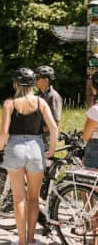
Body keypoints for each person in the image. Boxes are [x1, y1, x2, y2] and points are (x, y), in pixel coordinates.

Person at [0, 68, 58, 245]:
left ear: (16, 83)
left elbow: (3, 133)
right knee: (33, 198)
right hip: (36, 149)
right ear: (33, 84)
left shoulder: (10, 103)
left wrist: (0, 149)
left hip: (15, 148)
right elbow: (54, 128)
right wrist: (51, 151)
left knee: (19, 199)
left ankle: (22, 242)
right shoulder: (41, 102)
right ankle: (31, 239)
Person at [82, 71, 98, 245]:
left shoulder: (95, 110)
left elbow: (86, 136)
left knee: (88, 191)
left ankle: (94, 238)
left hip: (95, 152)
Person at [34, 65, 62, 150]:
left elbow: (55, 123)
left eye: (37, 78)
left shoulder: (53, 97)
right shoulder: (39, 96)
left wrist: (36, 131)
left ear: (46, 80)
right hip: (37, 139)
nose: (35, 80)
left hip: (46, 142)